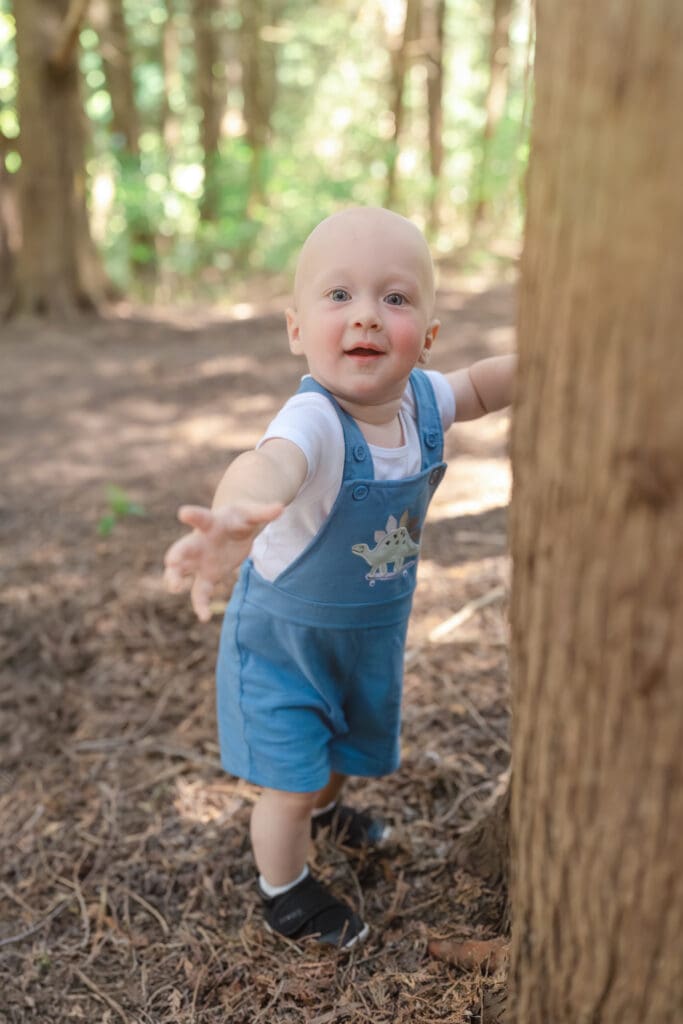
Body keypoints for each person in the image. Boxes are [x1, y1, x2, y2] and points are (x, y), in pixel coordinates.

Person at [164, 206, 515, 949]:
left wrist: (552, 367)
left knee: (341, 751)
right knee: (289, 781)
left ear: (425, 337)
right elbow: (268, 463)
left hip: (364, 636)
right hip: (284, 647)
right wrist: (235, 513)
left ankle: (328, 815)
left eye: (393, 298)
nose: (365, 317)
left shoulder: (424, 400)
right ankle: (285, 891)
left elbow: (481, 387)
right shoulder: (314, 420)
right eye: (338, 297)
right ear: (297, 330)